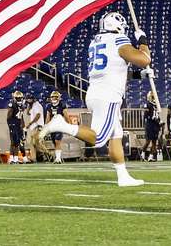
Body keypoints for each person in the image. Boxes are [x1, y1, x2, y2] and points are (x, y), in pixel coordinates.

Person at [42, 12, 151, 187]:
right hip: (108, 95)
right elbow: (145, 59)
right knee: (99, 139)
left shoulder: (97, 41)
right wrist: (143, 41)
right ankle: (61, 125)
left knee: (115, 135)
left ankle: (122, 176)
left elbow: (115, 70)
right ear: (116, 25)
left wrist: (140, 75)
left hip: (97, 91)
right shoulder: (119, 41)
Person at [44, 91, 68, 164]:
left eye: (55, 97)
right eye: (52, 97)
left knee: (57, 141)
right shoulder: (49, 106)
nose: (54, 98)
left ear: (58, 98)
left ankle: (58, 159)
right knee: (55, 142)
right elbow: (48, 117)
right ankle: (58, 157)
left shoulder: (62, 105)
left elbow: (66, 115)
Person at [6, 91, 27, 164]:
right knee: (13, 142)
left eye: (20, 98)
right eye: (17, 98)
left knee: (17, 142)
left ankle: (15, 158)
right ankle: (12, 159)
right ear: (14, 98)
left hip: (18, 125)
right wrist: (11, 125)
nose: (19, 99)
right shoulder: (12, 104)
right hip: (13, 124)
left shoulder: (22, 105)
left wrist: (23, 126)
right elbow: (8, 116)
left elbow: (21, 117)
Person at [24, 94, 45, 163]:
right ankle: (36, 157)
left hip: (37, 126)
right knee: (33, 143)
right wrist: (28, 106)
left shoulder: (37, 105)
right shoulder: (32, 106)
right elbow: (28, 113)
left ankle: (41, 155)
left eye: (30, 99)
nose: (28, 100)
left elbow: (38, 116)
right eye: (27, 99)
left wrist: (30, 124)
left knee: (35, 143)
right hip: (34, 127)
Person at [142, 91, 161, 162]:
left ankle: (151, 156)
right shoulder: (147, 104)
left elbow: (157, 115)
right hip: (149, 124)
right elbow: (145, 116)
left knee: (154, 142)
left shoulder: (157, 105)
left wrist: (159, 121)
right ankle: (143, 153)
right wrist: (151, 118)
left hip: (155, 124)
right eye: (153, 97)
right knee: (148, 141)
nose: (154, 98)